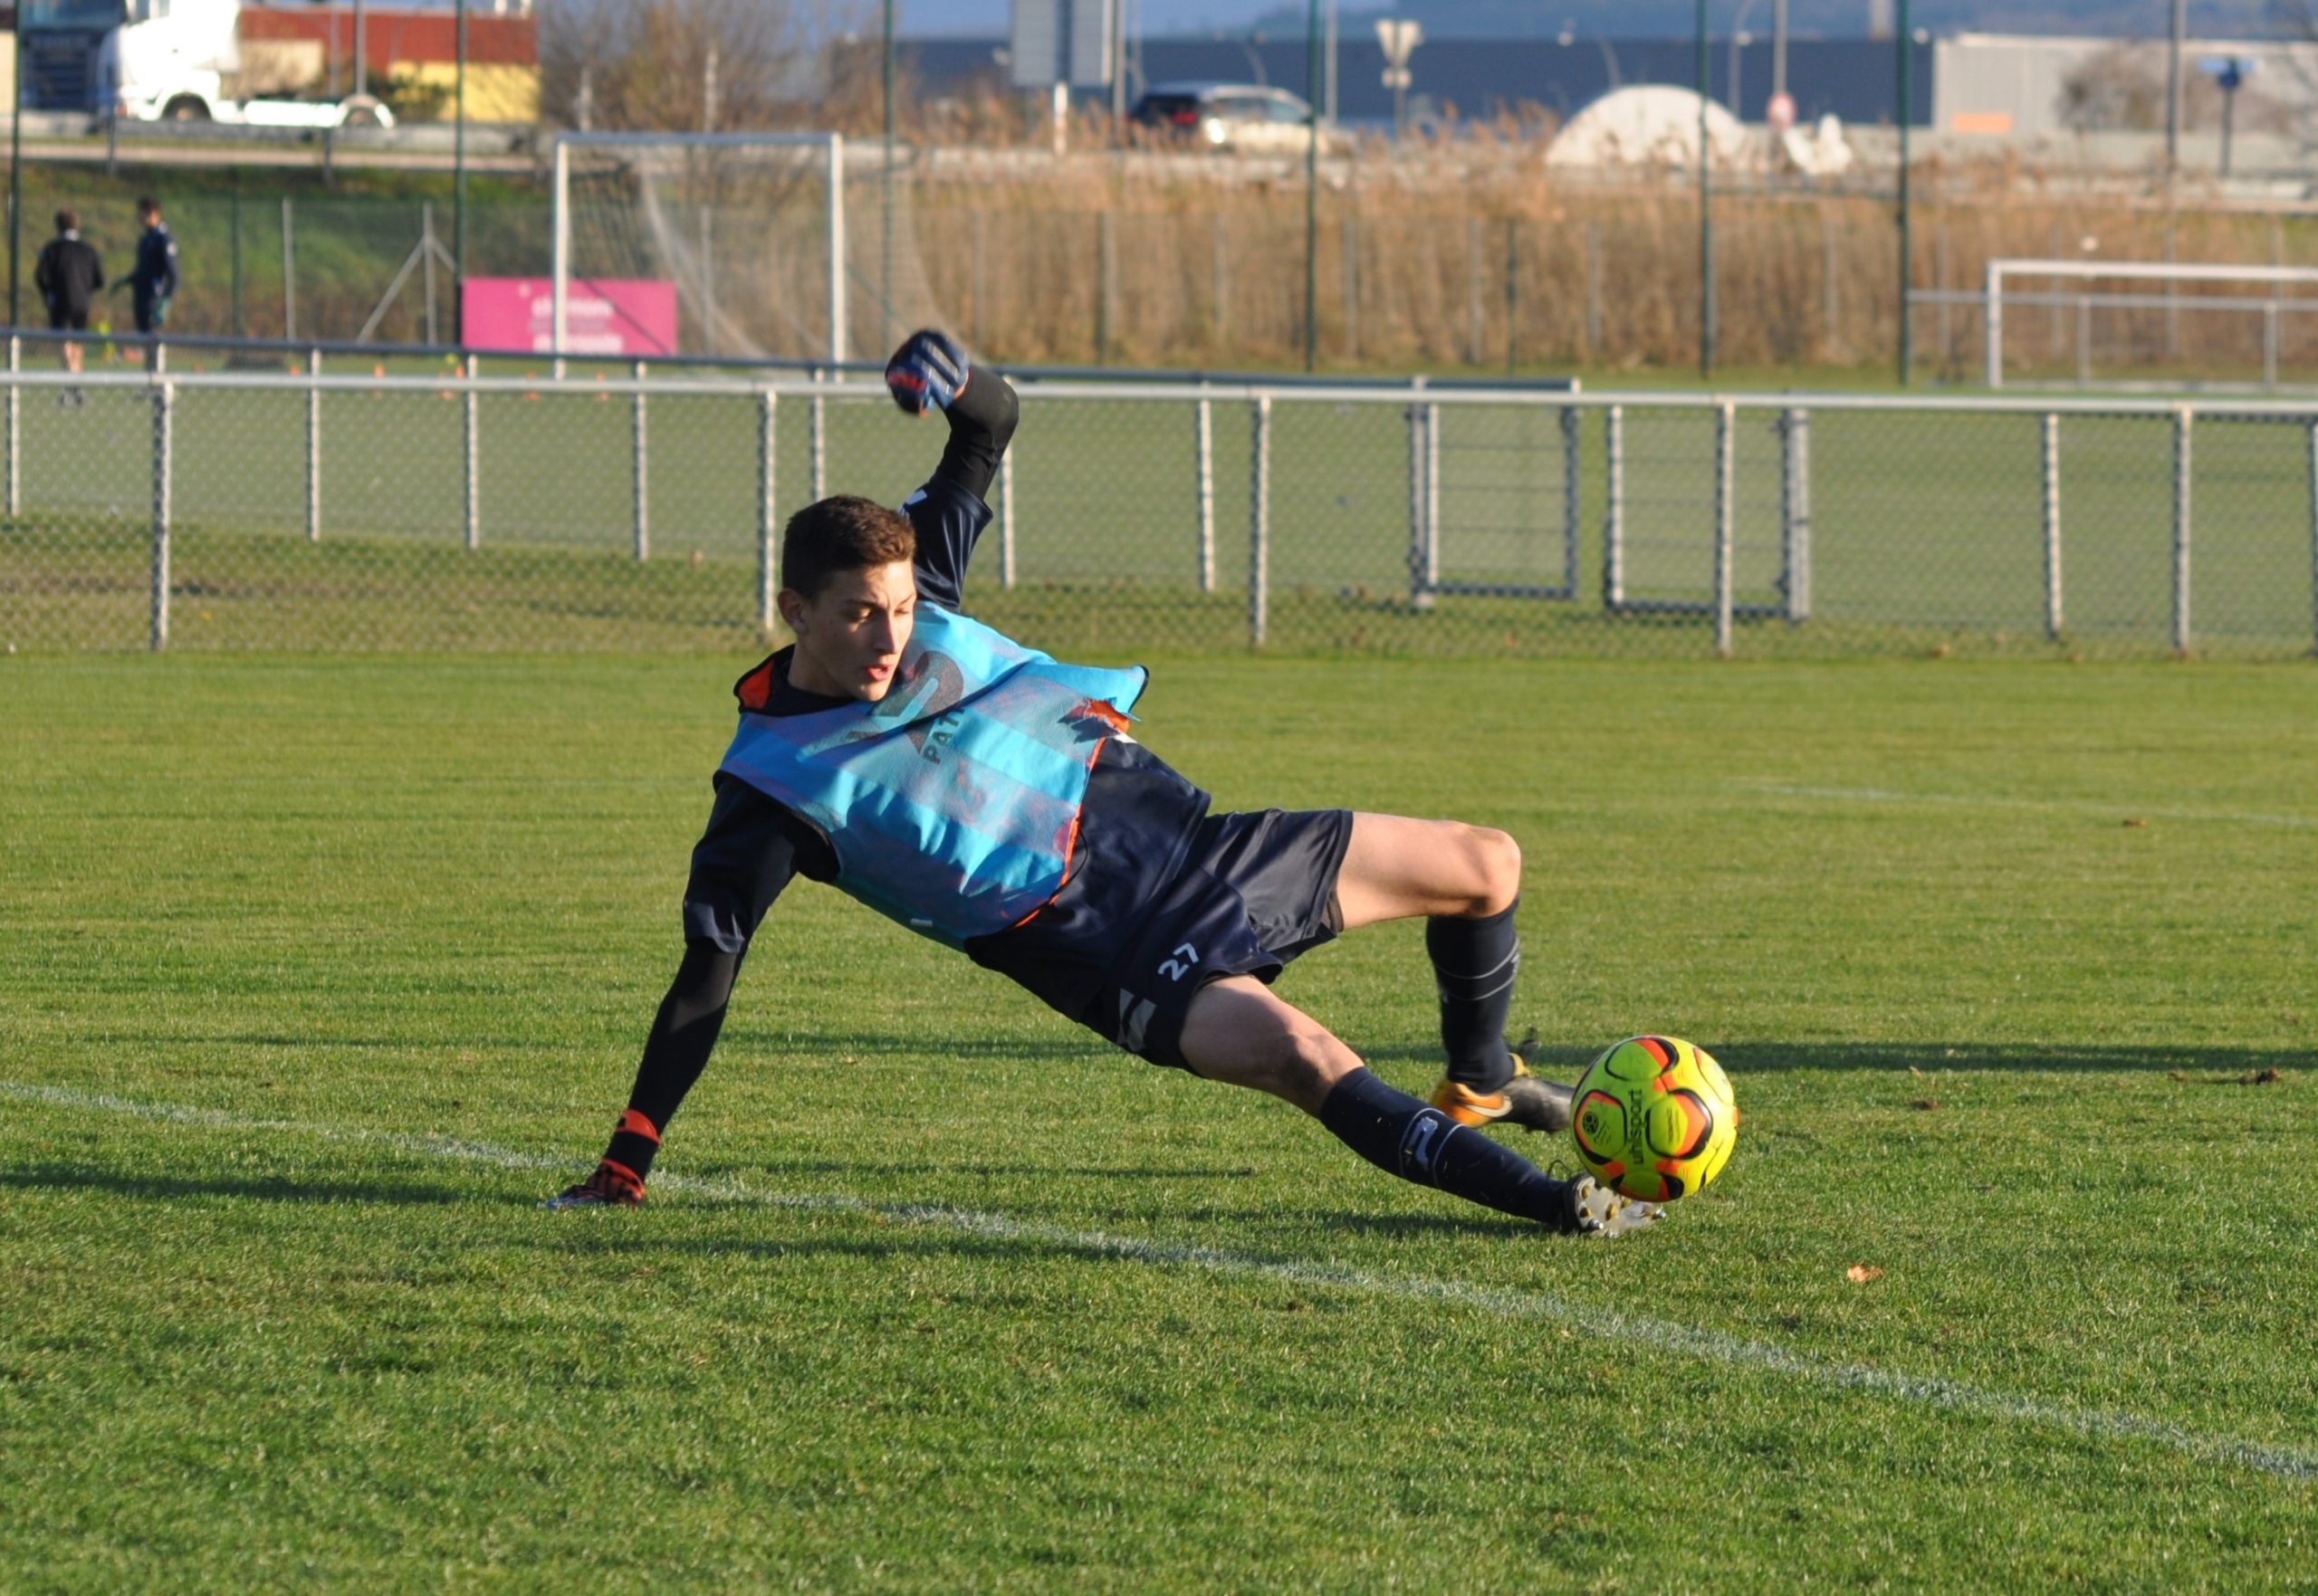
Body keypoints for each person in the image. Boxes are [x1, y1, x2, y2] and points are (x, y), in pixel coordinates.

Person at [546, 330, 1658, 1238]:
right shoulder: (771, 789)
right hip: (1117, 954)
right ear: (793, 610)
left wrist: (950, 372)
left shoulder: (918, 588)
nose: (887, 634)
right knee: (1314, 1057)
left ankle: (1478, 1077)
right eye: (855, 613)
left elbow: (989, 423)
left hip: (1205, 851)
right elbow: (706, 979)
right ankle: (1556, 1205)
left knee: (1486, 862)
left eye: (894, 606)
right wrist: (628, 1155)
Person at [34, 211, 104, 396]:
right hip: (82, 303)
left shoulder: (53, 249)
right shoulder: (88, 249)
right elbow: (99, 280)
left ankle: (72, 382)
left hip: (60, 302)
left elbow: (40, 276)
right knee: (78, 343)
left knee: (63, 341)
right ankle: (76, 382)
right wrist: (84, 290)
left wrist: (49, 294)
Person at [127, 196, 179, 348]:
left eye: (142, 213)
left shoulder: (163, 239)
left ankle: (157, 371)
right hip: (142, 296)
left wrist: (165, 301)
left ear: (154, 214)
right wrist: (132, 278)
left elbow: (174, 274)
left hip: (154, 298)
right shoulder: (146, 239)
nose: (139, 217)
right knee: (144, 340)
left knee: (153, 340)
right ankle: (150, 370)